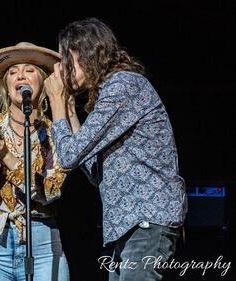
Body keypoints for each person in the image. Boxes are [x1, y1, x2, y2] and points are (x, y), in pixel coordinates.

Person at [44, 18, 187, 281]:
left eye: (66, 59)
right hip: (126, 227)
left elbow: (67, 156)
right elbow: (93, 171)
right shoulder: (115, 90)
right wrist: (68, 110)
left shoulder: (124, 85)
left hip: (146, 219)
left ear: (85, 52)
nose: (61, 69)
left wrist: (55, 102)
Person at [0, 42, 70, 281]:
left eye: (29, 70)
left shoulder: (54, 133)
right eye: (12, 71)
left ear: (42, 81)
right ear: (6, 85)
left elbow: (51, 192)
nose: (20, 75)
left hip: (42, 242)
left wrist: (7, 157)